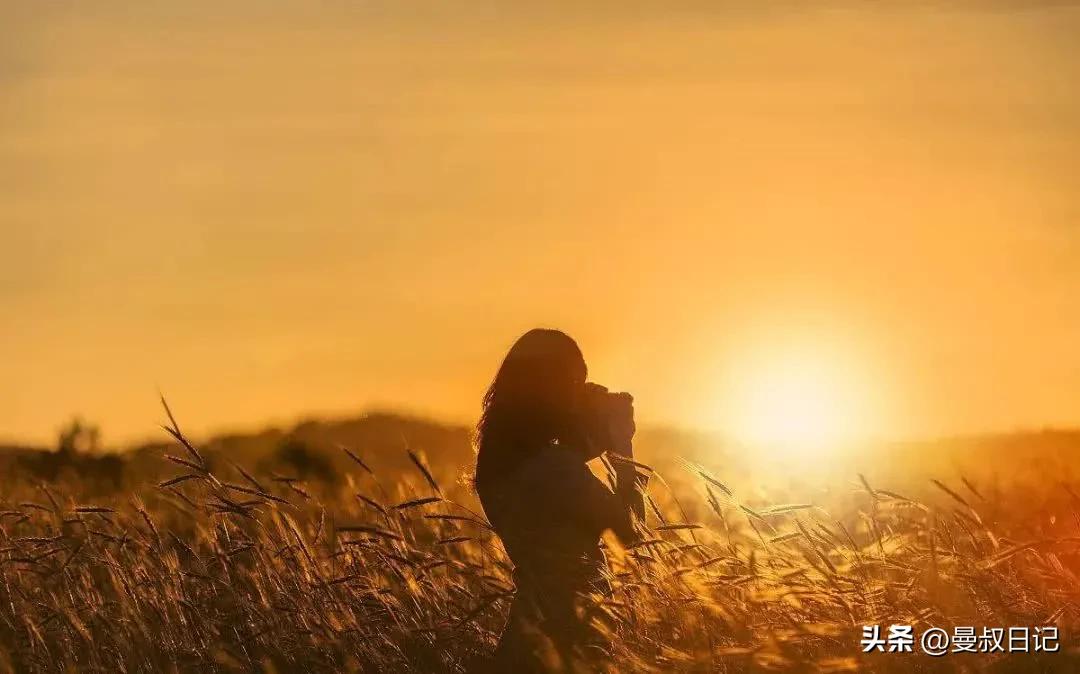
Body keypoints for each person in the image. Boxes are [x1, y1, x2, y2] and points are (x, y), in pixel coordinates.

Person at [474, 328, 647, 672]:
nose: (578, 395)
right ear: (547, 389)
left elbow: (556, 476)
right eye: (573, 383)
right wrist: (622, 447)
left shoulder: (504, 462)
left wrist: (593, 432)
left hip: (531, 635)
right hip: (563, 640)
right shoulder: (553, 468)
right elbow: (632, 533)